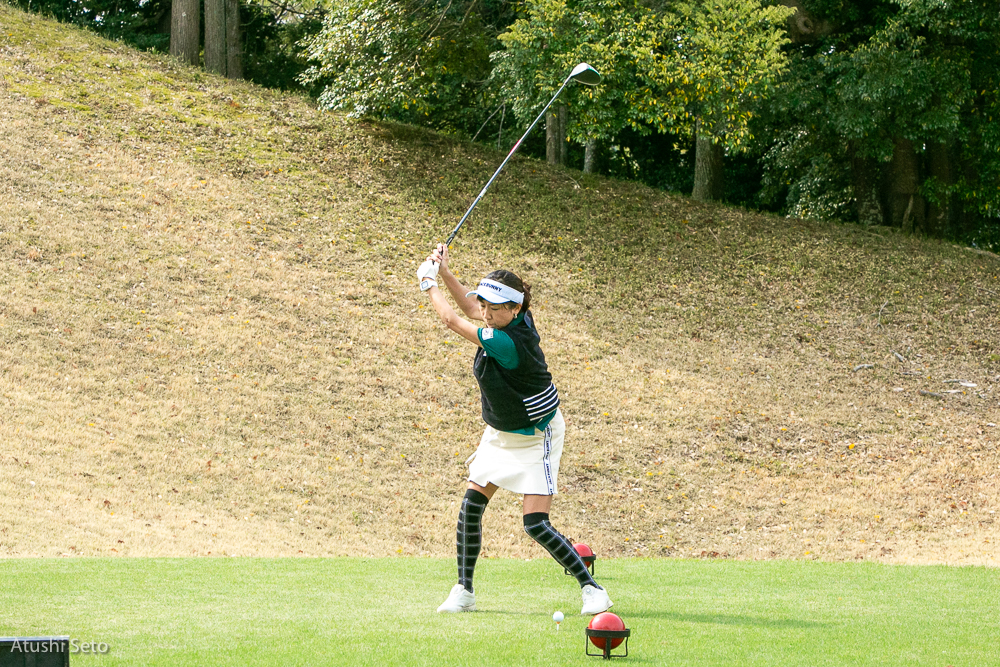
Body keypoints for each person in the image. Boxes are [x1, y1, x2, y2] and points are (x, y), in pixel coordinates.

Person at [417, 243, 613, 615]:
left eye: (495, 308)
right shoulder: (507, 319)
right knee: (471, 507)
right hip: (501, 432)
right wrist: (444, 271)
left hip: (537, 434)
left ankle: (593, 590)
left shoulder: (507, 342)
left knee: (535, 523)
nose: (487, 314)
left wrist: (429, 285)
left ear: (515, 309)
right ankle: (464, 590)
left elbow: (453, 320)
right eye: (485, 306)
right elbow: (471, 309)